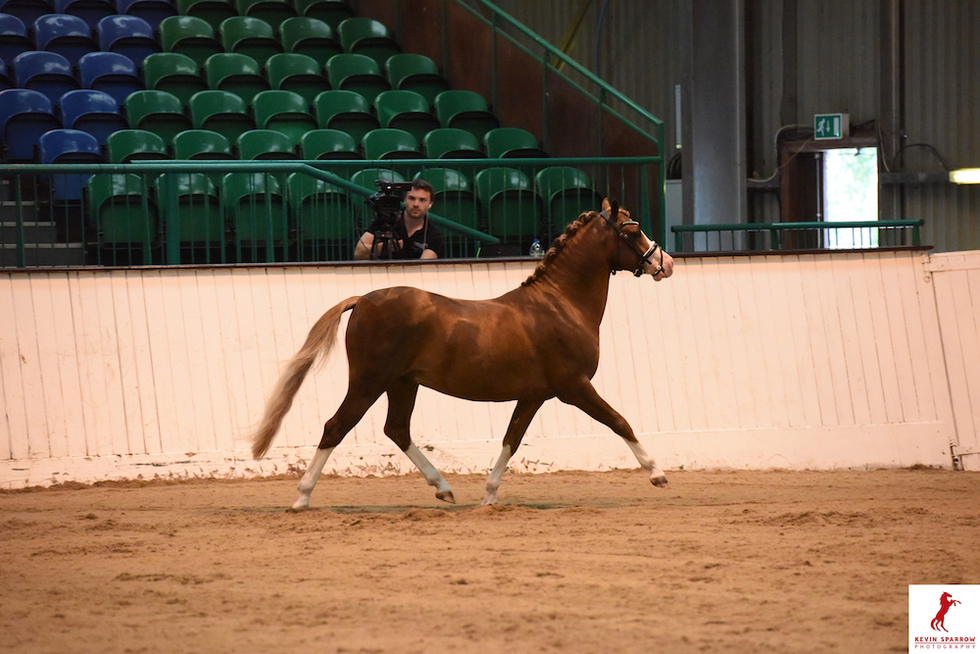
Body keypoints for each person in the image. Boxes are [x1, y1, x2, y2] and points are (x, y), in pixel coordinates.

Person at [354, 178, 443, 260]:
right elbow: (358, 254)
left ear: (430, 204)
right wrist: (385, 247)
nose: (416, 204)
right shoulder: (386, 220)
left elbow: (424, 266)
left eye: (422, 200)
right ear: (404, 200)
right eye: (411, 198)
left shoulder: (433, 235)